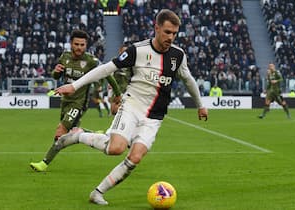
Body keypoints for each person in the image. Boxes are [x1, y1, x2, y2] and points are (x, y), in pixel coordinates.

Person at [53, 9, 208, 205]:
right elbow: (106, 68)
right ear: (157, 28)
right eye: (167, 32)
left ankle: (98, 192)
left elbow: (188, 79)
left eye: (175, 33)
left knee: (135, 157)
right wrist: (74, 85)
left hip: (154, 117)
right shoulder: (138, 50)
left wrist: (200, 105)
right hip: (132, 106)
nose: (171, 37)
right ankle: (78, 135)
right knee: (116, 148)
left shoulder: (178, 55)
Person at [30, 29, 121, 172]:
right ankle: (92, 134)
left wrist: (117, 93)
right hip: (66, 101)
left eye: (82, 45)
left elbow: (107, 73)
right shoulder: (64, 57)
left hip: (79, 104)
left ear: (86, 45)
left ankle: (44, 163)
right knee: (72, 132)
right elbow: (55, 76)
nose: (79, 47)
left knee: (60, 131)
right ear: (71, 44)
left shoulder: (91, 61)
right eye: (76, 44)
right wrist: (56, 72)